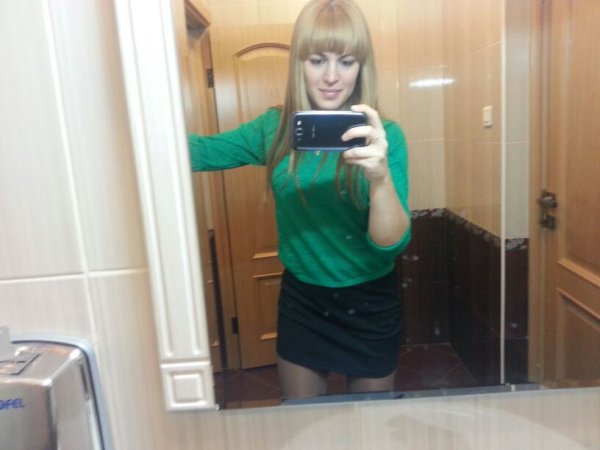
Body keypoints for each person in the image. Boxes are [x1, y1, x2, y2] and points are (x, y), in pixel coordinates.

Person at [188, 0, 411, 400]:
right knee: (300, 422)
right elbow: (200, 152)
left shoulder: (384, 136)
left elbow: (389, 244)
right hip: (303, 301)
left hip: (370, 302)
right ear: (299, 64)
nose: (331, 77)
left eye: (346, 61)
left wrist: (379, 177)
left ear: (361, 67)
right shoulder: (275, 128)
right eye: (317, 60)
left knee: (371, 424)